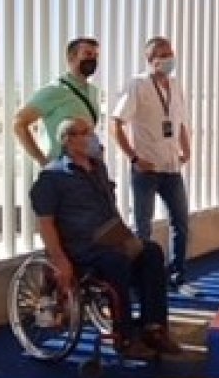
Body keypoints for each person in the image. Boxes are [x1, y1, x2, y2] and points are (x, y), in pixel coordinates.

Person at [30, 118, 183, 360]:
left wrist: (127, 237)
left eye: (92, 132)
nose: (93, 137)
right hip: (81, 246)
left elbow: (110, 207)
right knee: (117, 261)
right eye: (85, 133)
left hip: (111, 236)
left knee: (151, 252)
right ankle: (124, 336)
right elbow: (46, 223)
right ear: (68, 140)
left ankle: (153, 327)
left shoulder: (97, 168)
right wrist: (60, 260)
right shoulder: (52, 177)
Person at [112, 37, 194, 295]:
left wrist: (187, 149)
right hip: (146, 170)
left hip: (171, 168)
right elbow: (116, 123)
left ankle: (178, 276)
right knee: (143, 227)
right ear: (150, 59)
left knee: (180, 222)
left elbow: (179, 122)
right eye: (161, 54)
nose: (168, 58)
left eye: (170, 53)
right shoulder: (137, 85)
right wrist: (134, 158)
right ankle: (141, 283)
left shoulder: (176, 85)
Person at [14, 37, 101, 167]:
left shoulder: (93, 91)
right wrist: (42, 160)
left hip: (88, 168)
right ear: (71, 57)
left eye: (96, 55)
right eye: (88, 54)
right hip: (62, 170)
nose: (93, 59)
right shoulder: (55, 89)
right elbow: (19, 122)